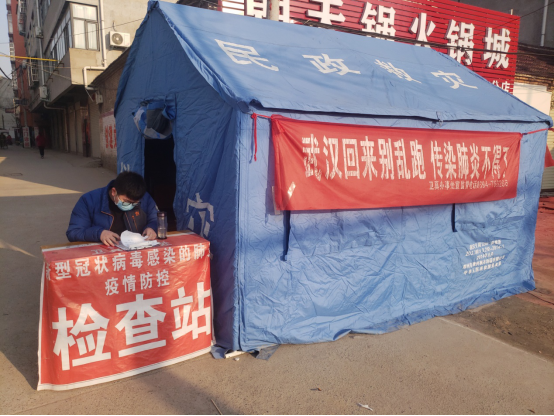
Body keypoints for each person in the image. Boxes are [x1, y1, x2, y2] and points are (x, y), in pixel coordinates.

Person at [67, 171, 158, 245]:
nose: (130, 206)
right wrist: (99, 233)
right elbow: (74, 232)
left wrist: (152, 228)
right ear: (114, 192)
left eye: (135, 203)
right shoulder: (88, 200)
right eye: (126, 201)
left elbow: (156, 219)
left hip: (134, 250)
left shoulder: (144, 198)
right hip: (103, 251)